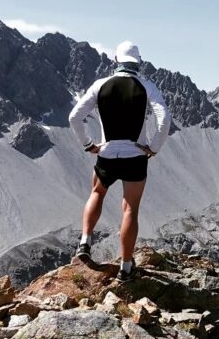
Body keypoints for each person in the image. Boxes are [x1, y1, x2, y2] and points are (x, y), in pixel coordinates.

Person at [68, 41, 171, 282]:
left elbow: (75, 117)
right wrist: (153, 148)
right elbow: (164, 118)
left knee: (97, 192)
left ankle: (84, 242)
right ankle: (125, 267)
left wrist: (89, 145)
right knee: (130, 209)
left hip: (106, 153)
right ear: (139, 61)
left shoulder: (100, 84)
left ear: (116, 60)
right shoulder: (146, 86)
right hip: (135, 155)